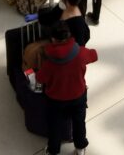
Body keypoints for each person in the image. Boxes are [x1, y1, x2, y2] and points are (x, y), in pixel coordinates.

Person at [37, 21, 98, 155]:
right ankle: (80, 148)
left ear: (53, 39)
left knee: (55, 125)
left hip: (55, 100)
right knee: (79, 123)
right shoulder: (80, 53)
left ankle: (53, 150)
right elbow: (94, 55)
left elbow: (40, 78)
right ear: (69, 35)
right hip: (78, 96)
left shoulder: (49, 62)